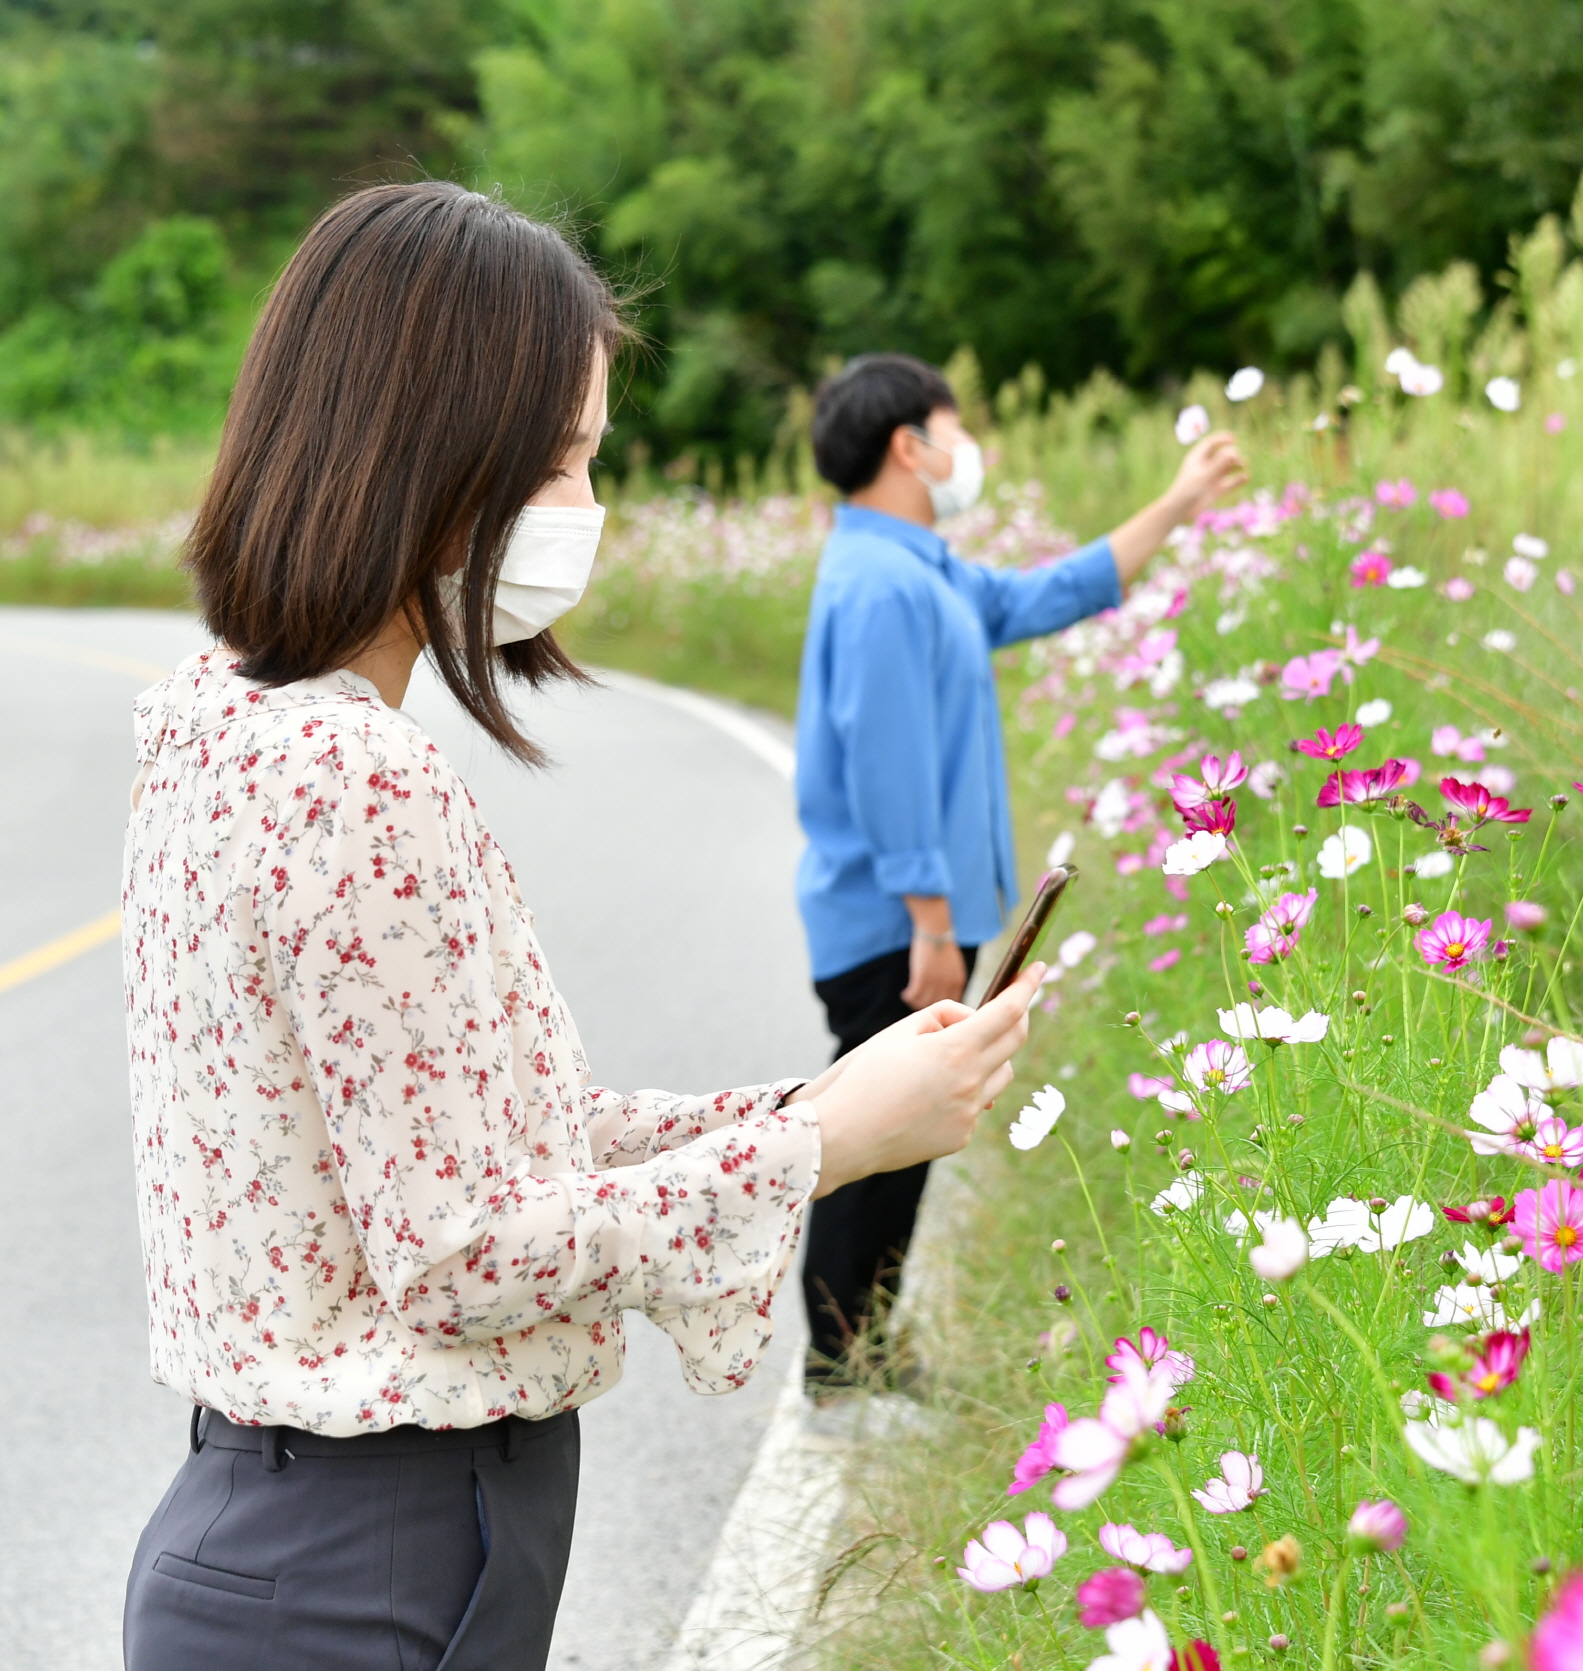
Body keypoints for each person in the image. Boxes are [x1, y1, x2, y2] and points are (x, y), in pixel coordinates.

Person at [118, 183, 1044, 1671]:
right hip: (379, 1557)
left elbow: (468, 1137)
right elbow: (461, 1243)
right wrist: (819, 1151)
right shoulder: (358, 774)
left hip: (277, 1537)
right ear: (436, 455)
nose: (578, 509)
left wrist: (807, 1101)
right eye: (563, 461)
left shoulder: (221, 719)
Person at [792, 353, 1245, 1395]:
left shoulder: (923, 568)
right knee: (872, 1146)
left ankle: (864, 1349)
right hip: (895, 926)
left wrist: (1175, 505)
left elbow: (1055, 593)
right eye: (955, 428)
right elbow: (888, 763)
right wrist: (932, 926)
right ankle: (839, 1369)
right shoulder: (879, 585)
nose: (967, 450)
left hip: (917, 918)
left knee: (900, 1142)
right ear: (910, 445)